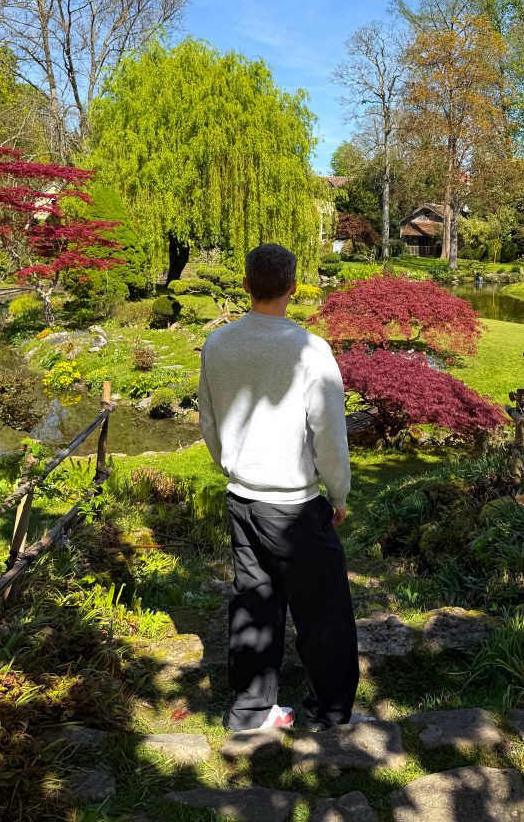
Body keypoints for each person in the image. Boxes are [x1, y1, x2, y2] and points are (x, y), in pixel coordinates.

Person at [197, 243, 359, 732]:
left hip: (242, 498)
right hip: (292, 505)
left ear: (245, 285)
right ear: (293, 287)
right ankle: (329, 710)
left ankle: (251, 711)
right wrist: (339, 493)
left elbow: (207, 420)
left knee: (254, 599)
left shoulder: (218, 344)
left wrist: (233, 465)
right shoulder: (310, 349)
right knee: (323, 609)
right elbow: (329, 433)